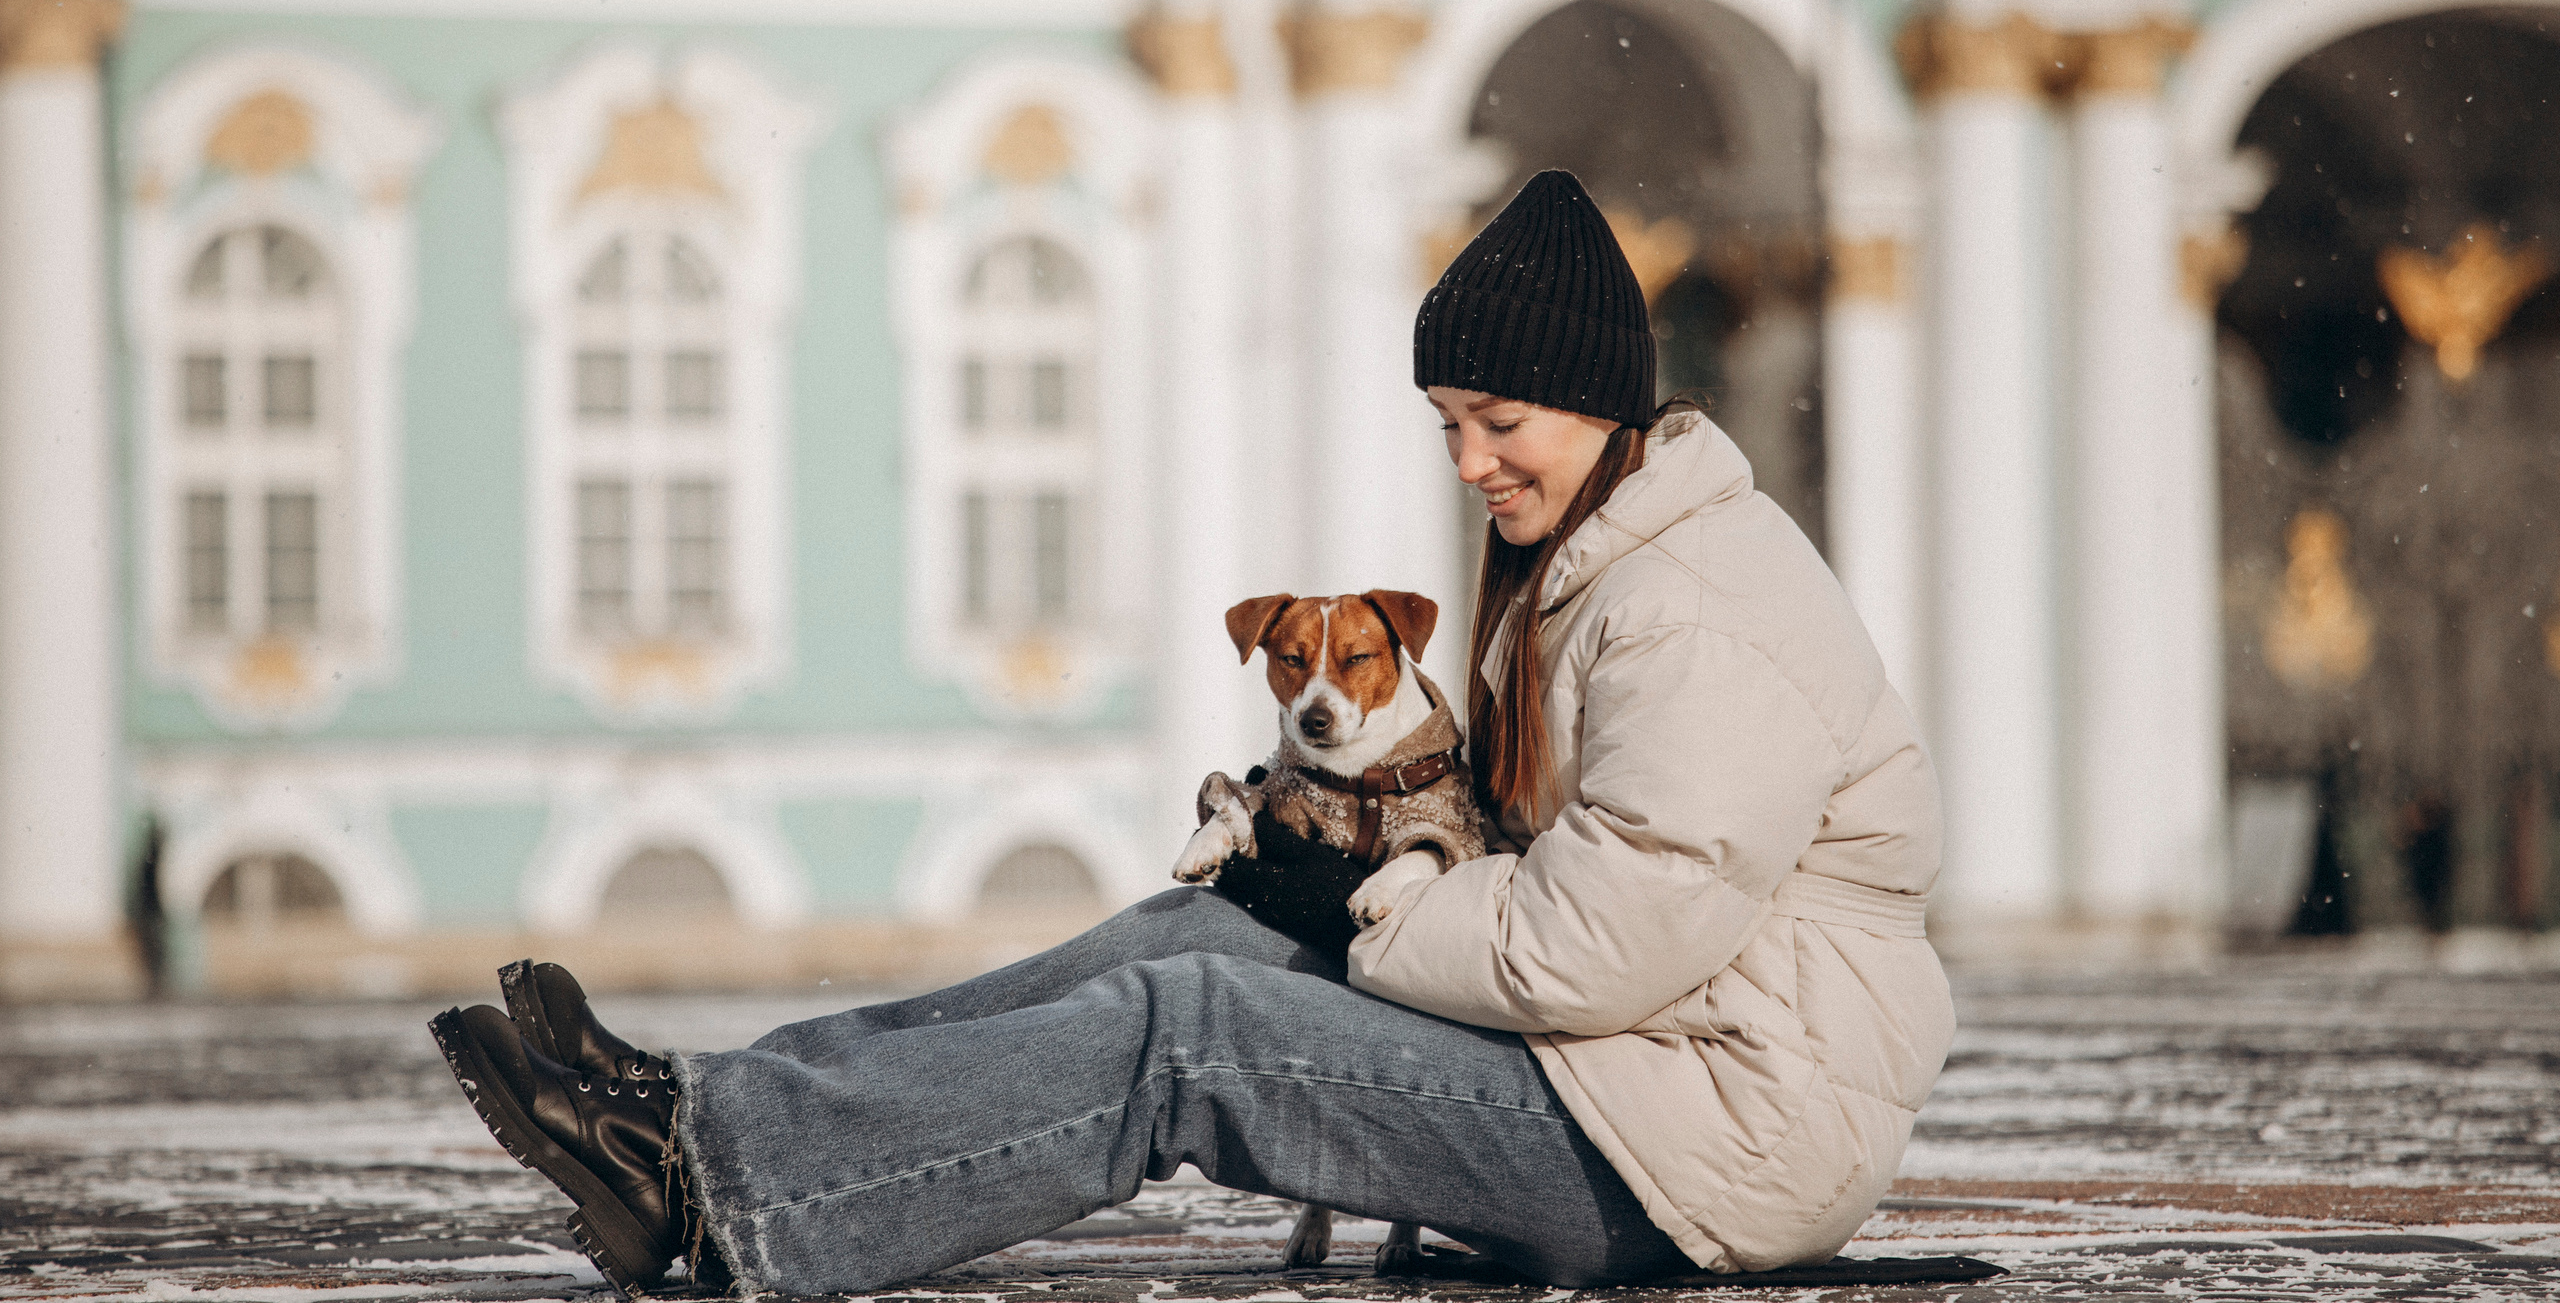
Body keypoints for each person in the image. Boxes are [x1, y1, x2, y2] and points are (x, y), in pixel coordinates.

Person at [430, 169, 1953, 1295]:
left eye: (1500, 422)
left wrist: (1361, 897)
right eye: (1449, 428)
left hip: (1713, 1142)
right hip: (1634, 1080)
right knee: (1195, 934)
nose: (1470, 462)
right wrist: (1300, 886)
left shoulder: (1693, 607)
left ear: (1596, 402)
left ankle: (724, 1191)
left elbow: (1596, 948)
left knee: (1194, 1038)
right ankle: (699, 1110)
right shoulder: (1602, 568)